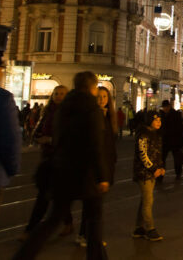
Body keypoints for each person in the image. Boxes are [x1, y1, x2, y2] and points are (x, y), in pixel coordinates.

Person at [14, 71, 110, 259]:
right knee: (94, 221)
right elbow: (95, 145)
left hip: (62, 170)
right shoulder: (92, 109)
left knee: (52, 219)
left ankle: (22, 256)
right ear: (92, 87)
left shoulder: (63, 107)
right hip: (86, 174)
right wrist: (102, 176)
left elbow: (57, 138)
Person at [20, 85, 72, 241]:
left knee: (44, 196)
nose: (59, 96)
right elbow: (38, 131)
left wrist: (50, 139)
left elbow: (69, 137)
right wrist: (38, 137)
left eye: (62, 94)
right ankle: (67, 222)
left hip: (61, 159)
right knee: (55, 195)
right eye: (56, 93)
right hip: (48, 158)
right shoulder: (47, 112)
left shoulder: (68, 114)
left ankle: (31, 230)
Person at [76, 86, 117, 247]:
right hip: (94, 168)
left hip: (105, 165)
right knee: (94, 205)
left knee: (92, 205)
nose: (102, 100)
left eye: (105, 97)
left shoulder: (108, 117)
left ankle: (84, 234)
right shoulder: (94, 116)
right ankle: (90, 237)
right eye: (99, 96)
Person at [0, 51, 21, 240]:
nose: (3, 73)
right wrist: (11, 169)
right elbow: (10, 141)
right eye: (2, 68)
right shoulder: (2, 98)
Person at [132, 113, 165, 241]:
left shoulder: (156, 134)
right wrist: (153, 168)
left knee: (145, 200)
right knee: (148, 201)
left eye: (160, 120)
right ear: (149, 121)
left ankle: (138, 228)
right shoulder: (143, 134)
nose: (158, 122)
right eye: (156, 120)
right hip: (143, 172)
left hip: (152, 171)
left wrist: (161, 167)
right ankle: (150, 228)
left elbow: (158, 153)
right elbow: (143, 154)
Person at [157, 100, 183, 182]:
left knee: (177, 159)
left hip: (175, 140)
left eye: (166, 107)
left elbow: (180, 128)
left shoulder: (176, 114)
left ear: (169, 106)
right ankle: (160, 176)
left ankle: (178, 173)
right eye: (164, 107)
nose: (165, 108)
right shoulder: (160, 115)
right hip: (164, 141)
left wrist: (181, 141)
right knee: (161, 160)